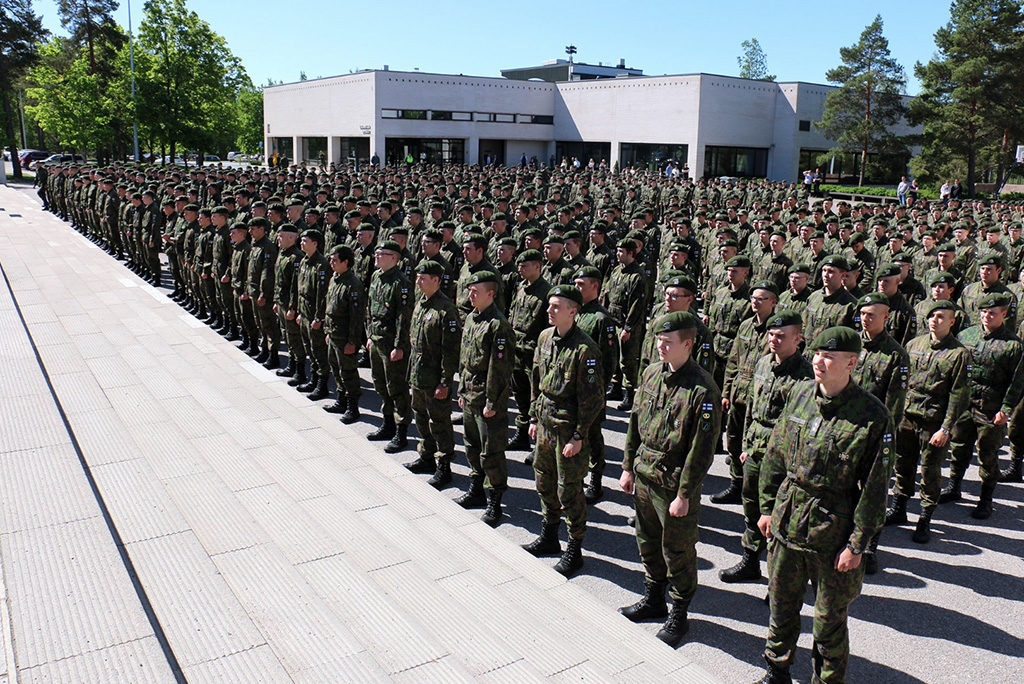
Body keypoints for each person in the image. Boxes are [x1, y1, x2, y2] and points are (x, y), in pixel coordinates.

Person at [757, 326, 894, 684]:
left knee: (828, 621)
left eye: (829, 356)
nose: (819, 361)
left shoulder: (873, 415)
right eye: (817, 353)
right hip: (788, 521)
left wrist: (857, 545)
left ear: (851, 362)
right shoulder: (800, 394)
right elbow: (775, 455)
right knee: (781, 605)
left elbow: (875, 490)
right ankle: (777, 669)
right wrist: (767, 507)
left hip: (832, 535)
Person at [618, 311, 722, 647]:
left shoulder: (702, 388)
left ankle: (679, 612)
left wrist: (685, 493)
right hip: (645, 474)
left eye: (668, 342)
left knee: (677, 550)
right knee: (646, 540)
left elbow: (701, 449)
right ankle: (653, 598)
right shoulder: (650, 374)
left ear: (688, 344)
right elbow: (634, 423)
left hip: (673, 483)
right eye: (659, 341)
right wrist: (627, 466)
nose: (661, 347)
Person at [719, 310, 812, 584]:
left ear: (798, 339)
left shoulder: (805, 375)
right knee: (751, 506)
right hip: (756, 447)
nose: (774, 340)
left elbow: (800, 424)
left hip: (782, 454)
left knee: (779, 516)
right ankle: (750, 560)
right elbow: (751, 408)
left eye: (781, 336)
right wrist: (746, 443)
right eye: (771, 335)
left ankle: (779, 579)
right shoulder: (762, 364)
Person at [522, 285, 604, 575]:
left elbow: (593, 399)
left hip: (568, 429)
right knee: (544, 481)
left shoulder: (585, 350)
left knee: (568, 489)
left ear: (573, 311)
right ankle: (549, 535)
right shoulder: (545, 338)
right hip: (544, 422)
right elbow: (536, 378)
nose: (549, 310)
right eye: (549, 305)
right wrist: (532, 418)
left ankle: (575, 547)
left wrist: (580, 436)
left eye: (556, 306)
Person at [889, 300, 969, 543]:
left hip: (933, 422)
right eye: (932, 315)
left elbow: (959, 395)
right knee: (902, 465)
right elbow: (901, 383)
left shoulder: (959, 354)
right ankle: (899, 508)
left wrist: (946, 428)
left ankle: (925, 518)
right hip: (908, 417)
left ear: (952, 322)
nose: (935, 320)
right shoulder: (914, 345)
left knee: (930, 471)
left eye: (942, 317)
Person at [942, 292, 1024, 518]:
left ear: (1004, 314)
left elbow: (1017, 382)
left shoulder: (1013, 346)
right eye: (984, 312)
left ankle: (986, 499)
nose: (987, 316)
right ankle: (954, 486)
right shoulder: (966, 335)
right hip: (965, 403)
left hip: (991, 408)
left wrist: (1006, 410)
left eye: (993, 313)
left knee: (988, 454)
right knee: (959, 447)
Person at [457, 271, 514, 526]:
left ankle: (495, 499)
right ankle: (476, 488)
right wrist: (460, 390)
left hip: (486, 396)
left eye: (476, 291)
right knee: (471, 444)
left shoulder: (498, 325)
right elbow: (464, 358)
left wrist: (493, 402)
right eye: (469, 291)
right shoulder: (471, 318)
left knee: (491, 451)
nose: (470, 295)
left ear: (491, 294)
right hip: (469, 392)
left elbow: (499, 370)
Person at [404, 260, 462, 488]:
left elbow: (450, 351)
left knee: (439, 421)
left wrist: (445, 382)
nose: (418, 281)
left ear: (436, 281)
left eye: (423, 278)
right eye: (418, 277)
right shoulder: (422, 303)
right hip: (418, 373)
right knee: (420, 416)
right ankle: (426, 456)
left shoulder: (445, 310)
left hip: (435, 376)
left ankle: (444, 466)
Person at [573, 266, 620, 503]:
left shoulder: (602, 319)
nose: (577, 288)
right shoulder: (576, 313)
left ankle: (596, 479)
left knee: (592, 435)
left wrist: (599, 390)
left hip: (592, 390)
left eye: (582, 284)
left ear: (595, 286)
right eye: (576, 284)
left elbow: (610, 360)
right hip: (573, 388)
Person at [365, 239, 414, 452]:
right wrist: (369, 335)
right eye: (376, 253)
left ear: (394, 258)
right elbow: (370, 308)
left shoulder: (400, 283)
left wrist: (399, 346)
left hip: (391, 343)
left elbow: (403, 319)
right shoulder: (377, 276)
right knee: (380, 383)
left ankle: (401, 431)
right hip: (376, 339)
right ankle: (387, 423)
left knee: (397, 387)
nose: (376, 257)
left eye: (381, 254)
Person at [506, 249, 551, 455]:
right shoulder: (521, 287)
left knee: (537, 400)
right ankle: (522, 434)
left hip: (535, 354)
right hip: (518, 350)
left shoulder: (546, 292)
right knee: (520, 395)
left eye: (525, 266)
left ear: (537, 267)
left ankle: (539, 443)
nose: (520, 269)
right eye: (520, 266)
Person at [322, 244, 365, 422]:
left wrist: (353, 341)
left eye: (335, 260)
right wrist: (327, 330)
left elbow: (357, 317)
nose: (331, 262)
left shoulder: (353, 285)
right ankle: (341, 400)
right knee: (335, 367)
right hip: (333, 333)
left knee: (348, 371)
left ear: (345, 262)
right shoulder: (335, 279)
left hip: (345, 336)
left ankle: (353, 407)